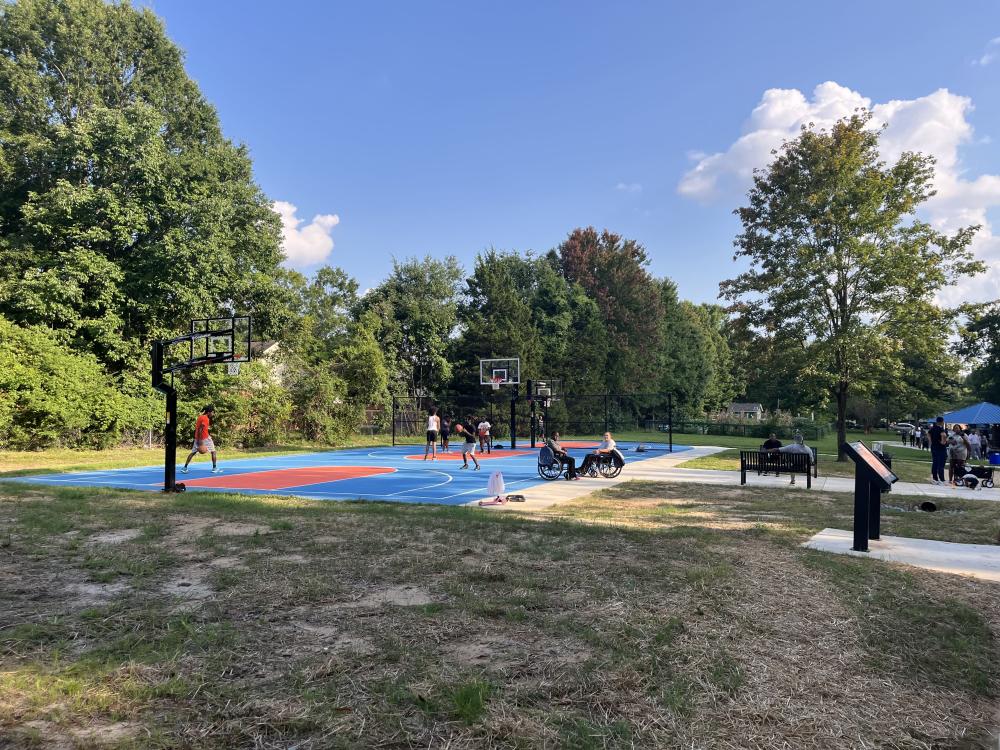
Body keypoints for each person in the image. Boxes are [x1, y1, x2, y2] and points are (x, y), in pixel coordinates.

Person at [182, 405, 222, 474]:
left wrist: (198, 439)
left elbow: (200, 428)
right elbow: (201, 429)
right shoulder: (205, 418)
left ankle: (185, 467)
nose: (213, 414)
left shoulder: (200, 417)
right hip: (204, 438)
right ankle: (214, 468)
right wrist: (200, 440)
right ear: (209, 412)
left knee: (193, 452)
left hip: (197, 437)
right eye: (212, 412)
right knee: (213, 452)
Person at [928, 416, 947, 484]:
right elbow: (944, 435)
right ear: (942, 422)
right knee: (941, 464)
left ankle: (935, 478)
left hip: (934, 447)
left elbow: (928, 434)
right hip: (941, 448)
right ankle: (942, 479)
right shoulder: (941, 429)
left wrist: (931, 442)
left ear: (936, 421)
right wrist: (943, 442)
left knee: (935, 463)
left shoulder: (933, 428)